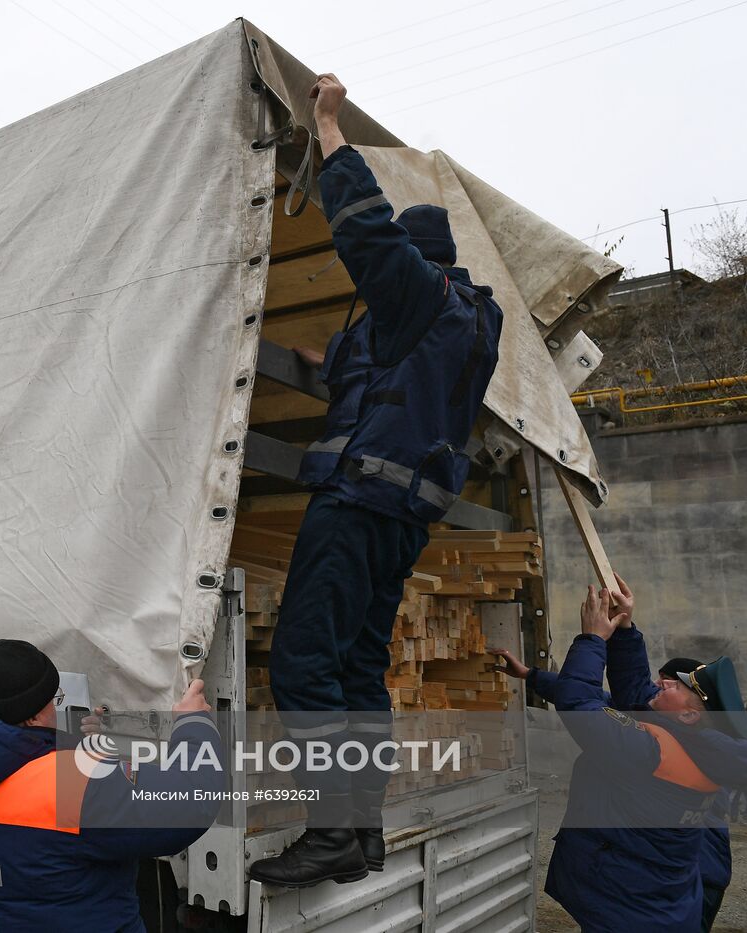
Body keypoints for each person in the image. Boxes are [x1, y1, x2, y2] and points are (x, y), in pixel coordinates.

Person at [252, 73, 503, 888]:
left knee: (302, 663)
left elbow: (364, 230)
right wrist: (339, 360)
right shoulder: (459, 329)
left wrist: (327, 128)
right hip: (399, 518)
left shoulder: (421, 299)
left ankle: (330, 830)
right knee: (359, 671)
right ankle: (358, 833)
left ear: (415, 265)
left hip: (359, 505)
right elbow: (391, 387)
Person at [491, 575, 747, 931]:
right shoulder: (696, 741)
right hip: (654, 896)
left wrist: (592, 639)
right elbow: (629, 695)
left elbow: (582, 705)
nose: (666, 681)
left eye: (681, 685)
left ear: (690, 715)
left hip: (632, 907)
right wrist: (625, 628)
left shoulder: (654, 751)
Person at [0, 639, 224, 932]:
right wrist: (193, 724)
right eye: (54, 701)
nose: (56, 709)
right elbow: (190, 803)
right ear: (34, 715)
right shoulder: (69, 786)